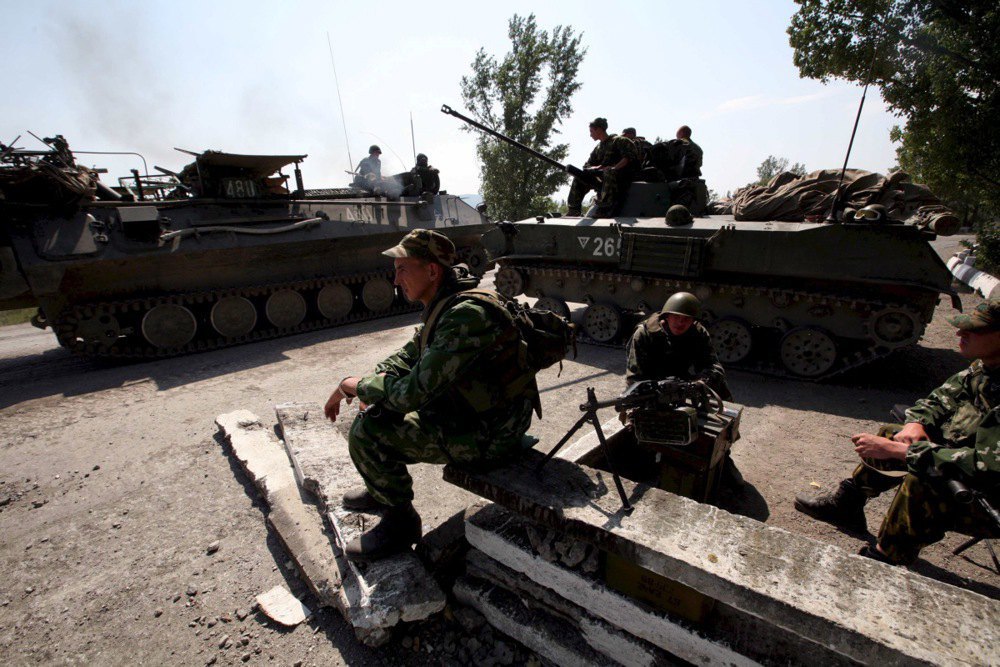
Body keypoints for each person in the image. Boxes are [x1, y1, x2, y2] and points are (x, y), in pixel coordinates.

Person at [324, 229, 539, 561]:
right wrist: (373, 379)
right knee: (379, 409)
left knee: (369, 431)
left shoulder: (465, 316)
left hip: (492, 434)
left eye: (402, 269)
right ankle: (383, 487)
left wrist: (352, 385)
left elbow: (411, 394)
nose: (396, 280)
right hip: (473, 415)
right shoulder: (447, 306)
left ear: (432, 271)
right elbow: (409, 354)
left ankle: (401, 523)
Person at [794, 298, 1000, 565]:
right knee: (894, 432)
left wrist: (904, 452)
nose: (961, 333)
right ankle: (847, 504)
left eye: (975, 330)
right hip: (969, 463)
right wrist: (917, 424)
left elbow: (987, 466)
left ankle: (885, 557)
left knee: (923, 478)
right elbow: (942, 397)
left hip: (990, 497)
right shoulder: (986, 367)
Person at [625, 292, 742, 485]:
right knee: (641, 424)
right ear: (666, 316)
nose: (681, 323)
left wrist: (700, 383)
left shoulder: (698, 333)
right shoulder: (645, 334)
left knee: (719, 390)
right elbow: (634, 378)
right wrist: (655, 393)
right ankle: (644, 458)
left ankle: (722, 452)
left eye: (687, 319)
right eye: (676, 318)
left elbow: (714, 366)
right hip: (653, 387)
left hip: (686, 384)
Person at [566, 117, 638, 217]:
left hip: (620, 178)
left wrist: (614, 168)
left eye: (591, 131)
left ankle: (604, 210)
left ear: (599, 129)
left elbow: (629, 157)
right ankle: (574, 209)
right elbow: (588, 165)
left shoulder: (619, 141)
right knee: (580, 176)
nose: (590, 134)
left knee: (609, 172)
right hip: (603, 178)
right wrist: (595, 169)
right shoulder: (599, 148)